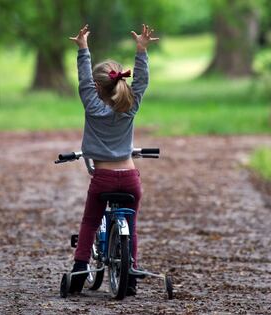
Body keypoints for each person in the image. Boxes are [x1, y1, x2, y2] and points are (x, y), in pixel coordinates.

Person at [68, 24, 159, 296]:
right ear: (122, 83)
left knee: (90, 222)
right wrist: (141, 50)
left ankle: (79, 269)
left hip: (103, 177)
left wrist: (83, 48)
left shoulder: (93, 107)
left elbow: (84, 80)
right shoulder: (129, 107)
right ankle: (129, 277)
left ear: (97, 87)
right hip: (130, 179)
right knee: (131, 224)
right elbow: (141, 82)